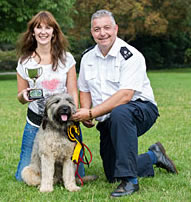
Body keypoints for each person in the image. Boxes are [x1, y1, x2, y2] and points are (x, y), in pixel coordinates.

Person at [73, 10, 178, 197]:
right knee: (113, 172)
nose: (102, 33)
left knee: (120, 112)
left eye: (107, 28)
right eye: (97, 29)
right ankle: (154, 156)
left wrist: (92, 113)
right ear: (92, 32)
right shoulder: (87, 57)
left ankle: (130, 182)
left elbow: (125, 96)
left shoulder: (130, 55)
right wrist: (87, 110)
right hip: (108, 117)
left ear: (116, 29)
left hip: (141, 109)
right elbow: (85, 89)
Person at [15, 11, 86, 181]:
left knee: (78, 175)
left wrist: (74, 117)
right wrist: (24, 96)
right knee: (22, 177)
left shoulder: (66, 58)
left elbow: (72, 90)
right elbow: (20, 95)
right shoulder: (25, 62)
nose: (43, 32)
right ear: (33, 32)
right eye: (39, 28)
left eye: (48, 28)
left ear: (54, 31)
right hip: (37, 122)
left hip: (64, 121)